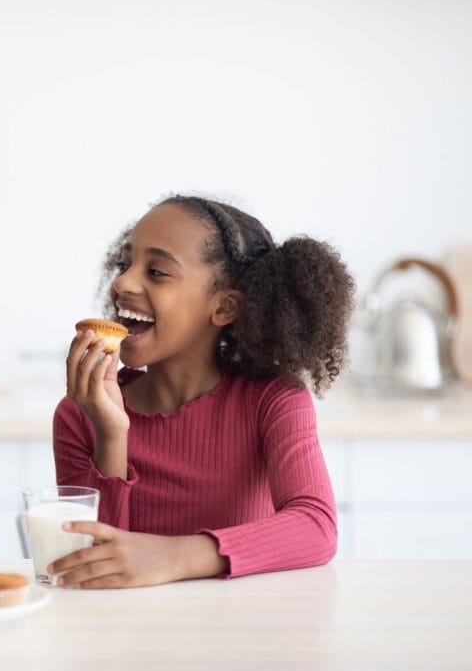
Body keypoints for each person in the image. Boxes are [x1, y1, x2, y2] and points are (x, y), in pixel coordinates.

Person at [52, 195, 355, 588]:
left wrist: (174, 555)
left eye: (157, 271)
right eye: (125, 264)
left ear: (225, 307)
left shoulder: (273, 401)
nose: (123, 282)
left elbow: (316, 526)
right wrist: (111, 434)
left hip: (243, 633)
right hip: (124, 638)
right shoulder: (80, 413)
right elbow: (91, 566)